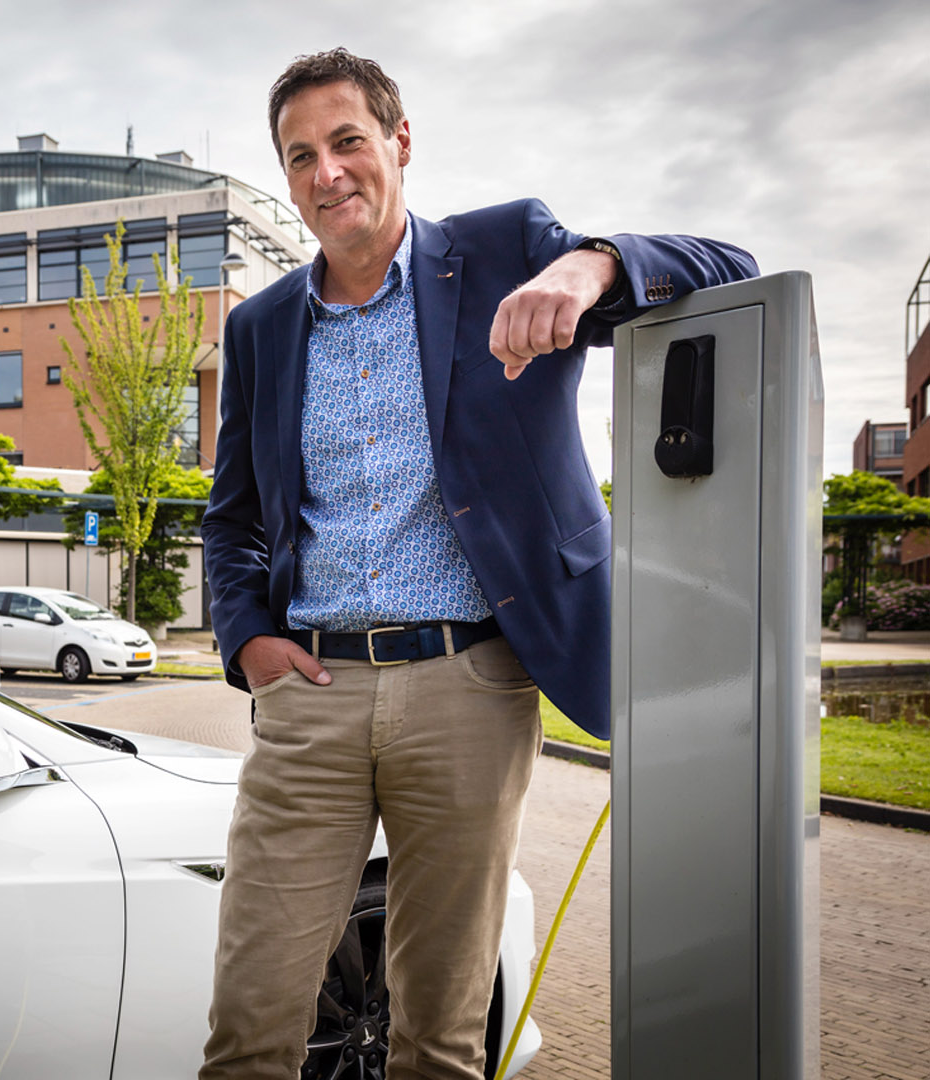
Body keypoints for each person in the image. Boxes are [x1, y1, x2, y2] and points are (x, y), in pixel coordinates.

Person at [199, 48, 758, 1080]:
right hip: (309, 697)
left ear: (398, 144)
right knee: (248, 1022)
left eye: (347, 141)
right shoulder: (259, 327)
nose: (326, 173)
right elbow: (230, 516)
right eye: (299, 156)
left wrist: (589, 265)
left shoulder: (508, 250)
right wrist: (249, 643)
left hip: (468, 687)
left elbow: (729, 266)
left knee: (440, 1035)